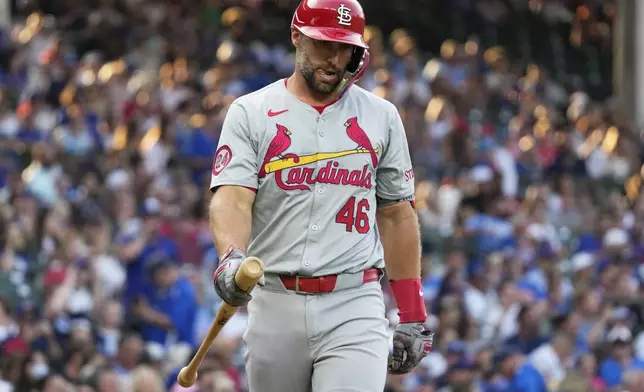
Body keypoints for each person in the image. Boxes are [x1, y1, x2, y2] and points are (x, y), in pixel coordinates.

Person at [208, 0, 433, 391]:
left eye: (345, 47)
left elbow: (397, 214)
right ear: (296, 36)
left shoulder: (381, 116)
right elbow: (232, 197)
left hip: (353, 300)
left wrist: (412, 312)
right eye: (324, 44)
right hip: (275, 297)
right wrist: (231, 257)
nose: (335, 58)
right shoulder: (251, 111)